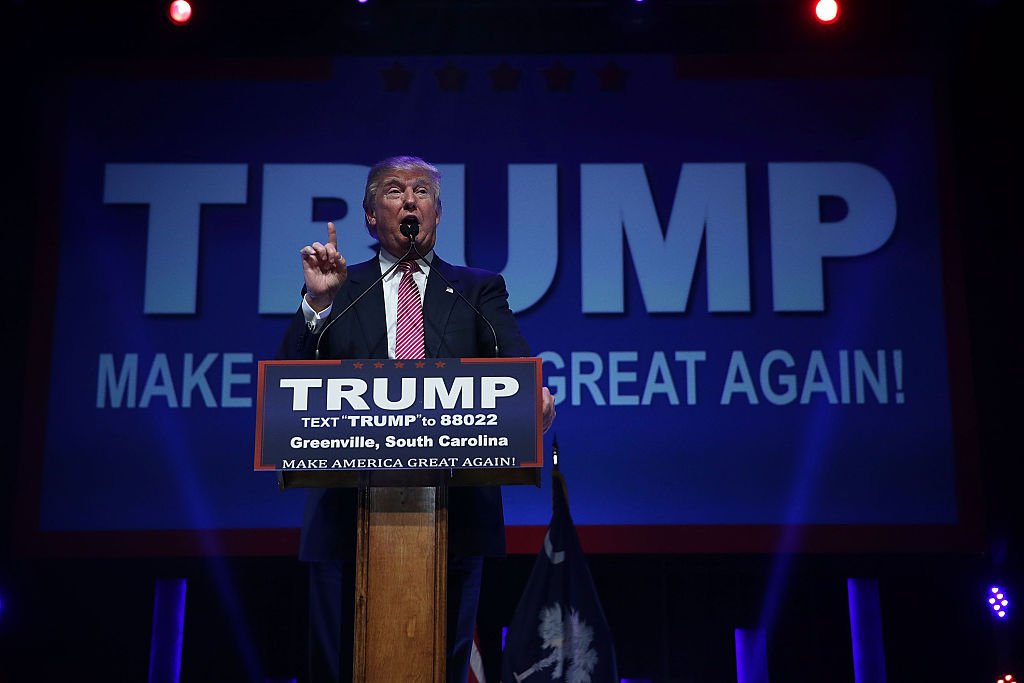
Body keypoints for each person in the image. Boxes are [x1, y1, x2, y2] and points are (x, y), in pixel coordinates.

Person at [277, 155, 555, 683]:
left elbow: (517, 370)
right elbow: (288, 385)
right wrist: (316, 304)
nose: (409, 199)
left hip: (455, 514)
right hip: (345, 515)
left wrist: (534, 400)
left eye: (422, 190)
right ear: (369, 217)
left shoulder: (477, 290)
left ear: (437, 212)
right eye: (394, 190)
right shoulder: (337, 284)